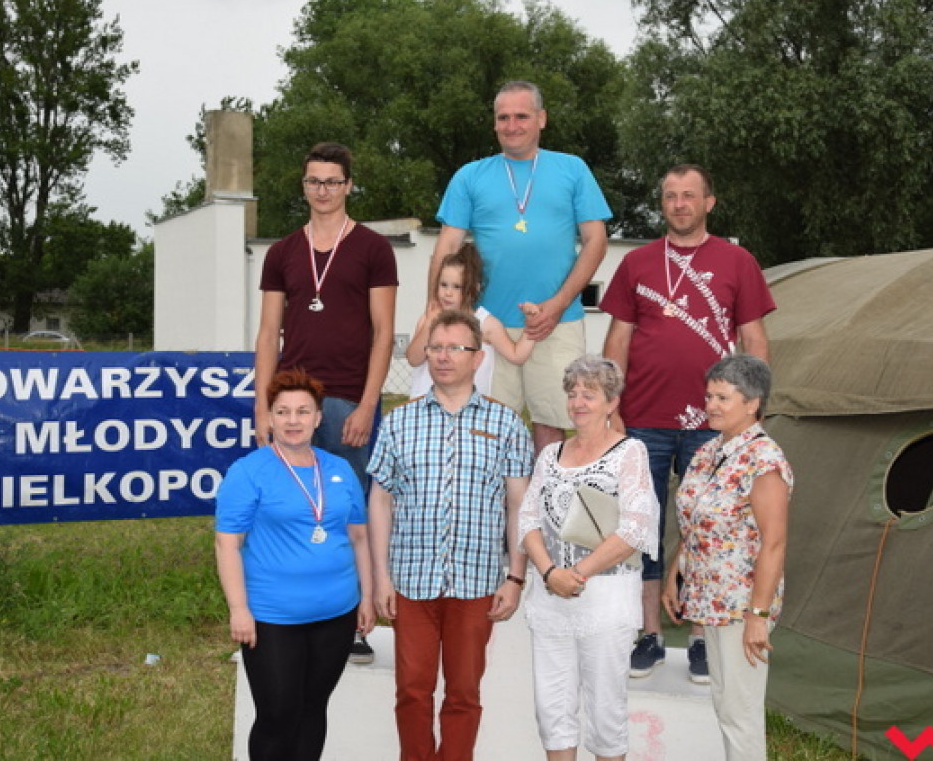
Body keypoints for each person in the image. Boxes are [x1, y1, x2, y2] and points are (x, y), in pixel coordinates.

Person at [600, 163, 776, 683]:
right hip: (644, 419)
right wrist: (612, 407)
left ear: (708, 203)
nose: (679, 204)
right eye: (671, 196)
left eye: (689, 195)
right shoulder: (636, 263)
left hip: (714, 424)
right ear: (663, 203)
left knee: (710, 530)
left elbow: (754, 338)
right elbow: (618, 338)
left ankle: (701, 639)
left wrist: (753, 409)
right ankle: (650, 634)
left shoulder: (738, 261)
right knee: (643, 529)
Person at [367, 309, 534, 761]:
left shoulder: (506, 424)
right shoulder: (399, 422)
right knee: (412, 691)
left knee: (463, 695)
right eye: (436, 348)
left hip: (477, 583)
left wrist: (515, 577)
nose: (442, 357)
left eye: (455, 348)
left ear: (478, 358)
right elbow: (380, 501)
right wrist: (381, 578)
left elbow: (519, 505)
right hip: (411, 582)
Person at [254, 141, 398, 664]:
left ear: (349, 185)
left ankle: (355, 623)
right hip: (293, 402)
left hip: (347, 402)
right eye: (314, 181)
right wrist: (262, 409)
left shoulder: (373, 249)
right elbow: (268, 333)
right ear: (304, 186)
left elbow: (384, 333)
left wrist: (368, 405)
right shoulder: (281, 253)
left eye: (333, 181)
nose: (323, 190)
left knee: (350, 515)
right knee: (290, 511)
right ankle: (293, 614)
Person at [433, 79, 612, 453]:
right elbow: (447, 245)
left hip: (557, 322)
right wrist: (437, 310)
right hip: (487, 324)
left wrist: (558, 304)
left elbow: (596, 241)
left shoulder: (572, 169)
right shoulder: (470, 175)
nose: (511, 125)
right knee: (487, 429)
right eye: (503, 117)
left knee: (553, 423)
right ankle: (500, 495)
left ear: (541, 119)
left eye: (521, 116)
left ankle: (546, 493)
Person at [215, 368, 376, 761]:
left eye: (303, 411)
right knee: (278, 715)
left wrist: (367, 597)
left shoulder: (339, 470)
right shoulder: (248, 472)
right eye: (283, 412)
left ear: (318, 418)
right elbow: (227, 543)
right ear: (269, 417)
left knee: (312, 708)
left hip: (336, 613)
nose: (293, 421)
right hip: (272, 617)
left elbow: (359, 537)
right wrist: (239, 609)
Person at [518, 355, 660, 761]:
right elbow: (527, 518)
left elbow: (634, 528)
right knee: (552, 711)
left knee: (605, 714)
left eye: (590, 394)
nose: (578, 402)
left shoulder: (630, 452)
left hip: (606, 600)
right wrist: (550, 573)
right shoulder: (550, 454)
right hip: (550, 599)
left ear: (611, 402)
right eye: (573, 393)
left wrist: (576, 575)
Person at [662, 354, 792, 761]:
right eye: (709, 396)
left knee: (740, 713)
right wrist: (675, 574)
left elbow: (774, 542)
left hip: (741, 604)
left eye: (722, 398)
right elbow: (694, 521)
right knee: (725, 705)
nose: (711, 405)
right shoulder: (709, 451)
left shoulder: (764, 460)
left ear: (752, 403)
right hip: (708, 598)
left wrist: (758, 615)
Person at [407, 241, 536, 398]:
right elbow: (413, 359)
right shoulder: (428, 319)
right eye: (444, 285)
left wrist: (531, 322)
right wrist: (429, 324)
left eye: (457, 287)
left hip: (471, 408)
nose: (448, 293)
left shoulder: (485, 324)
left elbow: (516, 355)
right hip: (425, 406)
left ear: (474, 288)